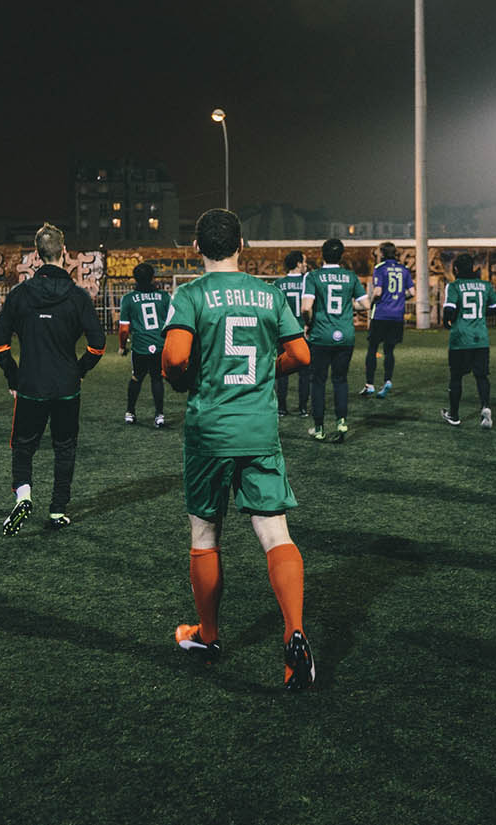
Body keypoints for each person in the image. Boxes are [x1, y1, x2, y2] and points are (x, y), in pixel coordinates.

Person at [161, 208, 315, 690]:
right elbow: (301, 354)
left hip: (210, 430)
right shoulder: (269, 294)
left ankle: (207, 637)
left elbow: (175, 357)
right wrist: (267, 372)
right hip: (258, 428)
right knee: (275, 532)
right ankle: (295, 632)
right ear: (241, 245)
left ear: (196, 247)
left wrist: (180, 378)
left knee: (205, 534)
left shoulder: (190, 294)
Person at [0, 223, 106, 533]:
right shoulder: (78, 296)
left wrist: (13, 376)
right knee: (65, 447)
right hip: (66, 386)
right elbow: (98, 345)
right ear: (64, 252)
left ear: (37, 254)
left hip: (30, 385)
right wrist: (79, 370)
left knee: (23, 446)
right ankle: (57, 510)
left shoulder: (19, 294)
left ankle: (24, 496)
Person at [301, 238, 369, 442]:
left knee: (318, 381)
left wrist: (308, 324)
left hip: (321, 336)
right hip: (345, 336)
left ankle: (319, 427)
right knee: (340, 380)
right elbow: (366, 304)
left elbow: (306, 307)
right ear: (341, 256)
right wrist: (348, 306)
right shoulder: (350, 276)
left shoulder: (313, 276)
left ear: (322, 255)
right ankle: (341, 422)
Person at [441, 253, 496, 428]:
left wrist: (447, 322)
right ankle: (485, 406)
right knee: (481, 376)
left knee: (456, 377)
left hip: (460, 338)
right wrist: (481, 312)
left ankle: (454, 415)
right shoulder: (485, 285)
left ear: (456, 269)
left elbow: (449, 311)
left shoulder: (454, 286)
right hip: (481, 338)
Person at [117, 262, 170, 427]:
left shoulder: (128, 299)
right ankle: (159, 415)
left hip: (140, 346)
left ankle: (130, 412)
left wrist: (122, 347)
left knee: (136, 378)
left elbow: (124, 329)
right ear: (153, 277)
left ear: (135, 278)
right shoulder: (164, 296)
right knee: (157, 379)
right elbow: (171, 322)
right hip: (159, 345)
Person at [361, 241, 414, 397]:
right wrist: (399, 298)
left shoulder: (380, 268)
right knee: (389, 350)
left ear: (383, 253)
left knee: (372, 348)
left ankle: (369, 385)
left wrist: (370, 303)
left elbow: (377, 292)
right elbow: (412, 292)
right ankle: (387, 381)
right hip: (397, 316)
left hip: (381, 314)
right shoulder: (404, 269)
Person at [273, 251, 311, 416]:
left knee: (282, 370)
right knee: (305, 372)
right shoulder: (307, 282)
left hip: (283, 332)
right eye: (304, 261)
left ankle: (282, 407)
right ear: (298, 263)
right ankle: (303, 408)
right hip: (303, 330)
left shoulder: (278, 284)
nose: (306, 264)